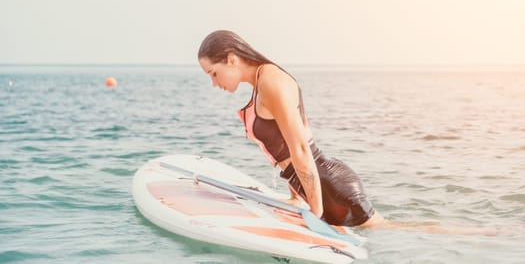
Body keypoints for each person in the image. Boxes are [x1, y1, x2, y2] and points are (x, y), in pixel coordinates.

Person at [197, 30, 505, 235]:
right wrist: (296, 199)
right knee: (390, 229)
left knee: (395, 229)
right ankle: (488, 233)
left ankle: (489, 235)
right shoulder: (262, 83)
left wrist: (314, 214)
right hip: (317, 186)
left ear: (232, 59)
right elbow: (283, 149)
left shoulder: (271, 82)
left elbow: (301, 150)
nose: (214, 82)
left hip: (331, 188)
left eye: (214, 73)